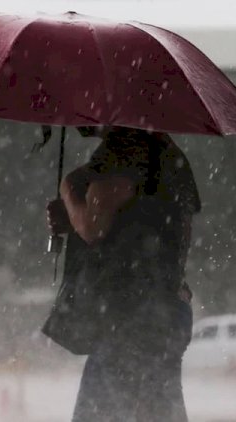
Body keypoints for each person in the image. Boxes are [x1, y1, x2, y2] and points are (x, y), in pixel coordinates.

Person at [45, 126, 201, 422]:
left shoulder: (125, 148)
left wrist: (69, 190)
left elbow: (93, 226)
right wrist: (74, 217)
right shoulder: (166, 154)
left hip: (129, 317)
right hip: (165, 310)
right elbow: (140, 225)